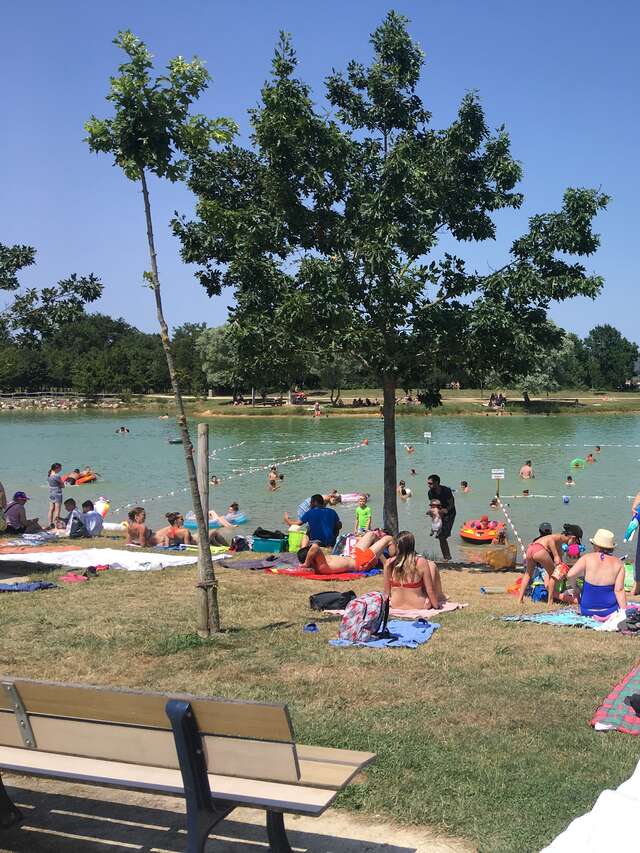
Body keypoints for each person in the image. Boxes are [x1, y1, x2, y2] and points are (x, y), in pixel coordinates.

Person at [517, 523, 583, 604]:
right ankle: (550, 601)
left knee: (528, 574)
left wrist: (561, 563)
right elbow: (550, 540)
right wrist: (555, 556)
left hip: (531, 549)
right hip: (539, 550)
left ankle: (520, 599)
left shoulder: (560, 541)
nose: (574, 544)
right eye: (576, 542)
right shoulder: (560, 537)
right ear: (573, 538)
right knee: (553, 574)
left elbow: (559, 556)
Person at [566, 529, 626, 617]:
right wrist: (624, 612)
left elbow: (570, 575)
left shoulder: (587, 558)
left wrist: (576, 588)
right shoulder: (618, 563)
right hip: (609, 611)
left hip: (586, 610)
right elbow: (619, 590)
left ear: (596, 546)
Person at [383, 530, 446, 610]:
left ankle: (441, 596)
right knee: (432, 565)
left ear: (397, 546)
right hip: (419, 605)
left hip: (396, 605)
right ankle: (440, 596)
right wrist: (436, 606)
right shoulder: (420, 562)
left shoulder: (388, 563)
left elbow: (386, 592)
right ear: (412, 545)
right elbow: (430, 590)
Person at [302, 530, 393, 575]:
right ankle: (396, 562)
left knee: (371, 534)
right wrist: (306, 564)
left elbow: (311, 546)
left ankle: (383, 560)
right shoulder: (322, 567)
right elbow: (315, 547)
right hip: (361, 563)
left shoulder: (320, 562)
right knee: (388, 538)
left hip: (353, 556)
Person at [427, 474, 456, 561]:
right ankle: (447, 557)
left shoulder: (446, 491)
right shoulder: (430, 493)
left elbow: (452, 504)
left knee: (442, 537)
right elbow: (433, 505)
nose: (428, 485)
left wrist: (445, 510)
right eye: (428, 483)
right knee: (441, 537)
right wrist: (433, 513)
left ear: (437, 483)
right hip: (439, 513)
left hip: (449, 513)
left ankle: (447, 557)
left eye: (430, 483)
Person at [47, 462, 65, 528]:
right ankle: (56, 525)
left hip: (51, 492)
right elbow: (63, 485)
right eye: (60, 468)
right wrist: (61, 485)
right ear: (57, 468)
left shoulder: (49, 475)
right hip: (57, 493)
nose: (61, 469)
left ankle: (50, 523)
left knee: (51, 509)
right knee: (57, 509)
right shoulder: (57, 476)